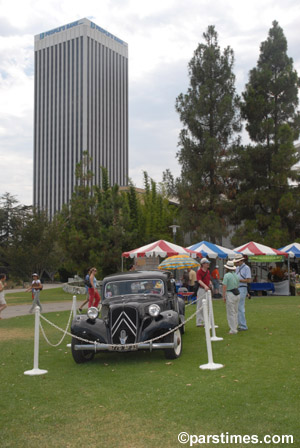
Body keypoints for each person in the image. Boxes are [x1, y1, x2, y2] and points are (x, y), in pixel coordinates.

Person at [222, 260, 240, 334]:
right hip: (237, 293)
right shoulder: (236, 275)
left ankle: (233, 329)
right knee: (235, 311)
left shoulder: (227, 275)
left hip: (230, 293)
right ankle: (235, 326)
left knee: (230, 312)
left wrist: (224, 296)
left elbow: (224, 286)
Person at [234, 254, 251, 331]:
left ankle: (243, 325)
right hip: (237, 288)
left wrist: (238, 280)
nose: (236, 263)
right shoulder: (237, 268)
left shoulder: (246, 268)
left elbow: (248, 280)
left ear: (241, 261)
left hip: (242, 288)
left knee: (240, 307)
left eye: (237, 261)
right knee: (237, 307)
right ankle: (240, 324)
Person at [196, 258, 213, 327]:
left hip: (207, 290)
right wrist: (205, 286)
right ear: (203, 264)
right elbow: (199, 280)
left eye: (208, 263)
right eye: (206, 263)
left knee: (208, 305)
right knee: (200, 306)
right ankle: (199, 322)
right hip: (201, 290)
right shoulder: (199, 271)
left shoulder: (208, 271)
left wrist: (210, 283)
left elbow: (208, 279)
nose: (208, 264)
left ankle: (207, 320)